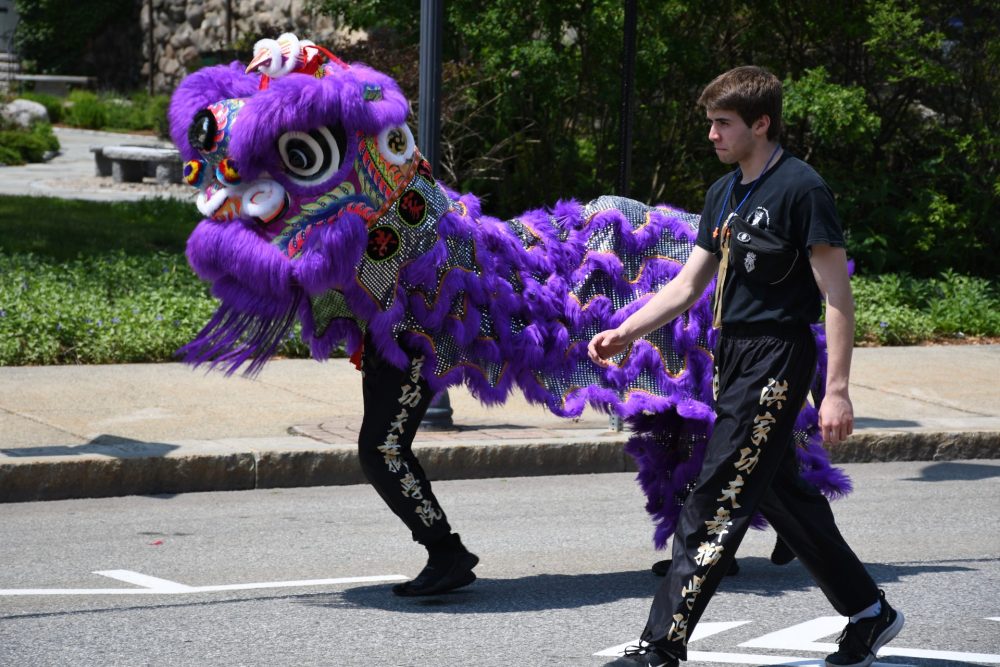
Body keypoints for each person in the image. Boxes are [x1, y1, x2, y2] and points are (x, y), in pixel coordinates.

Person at [588, 66, 903, 667]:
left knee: (715, 498)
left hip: (778, 357)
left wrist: (835, 391)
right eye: (710, 123)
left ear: (761, 123)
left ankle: (661, 645)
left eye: (723, 123)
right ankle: (870, 612)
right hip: (733, 354)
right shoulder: (725, 192)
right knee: (781, 493)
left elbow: (837, 295)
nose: (712, 134)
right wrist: (627, 330)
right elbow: (688, 284)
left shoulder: (802, 189)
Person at [357, 332, 479, 596]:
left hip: (416, 332)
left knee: (383, 449)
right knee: (381, 448)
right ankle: (445, 551)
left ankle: (446, 551)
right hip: (383, 335)